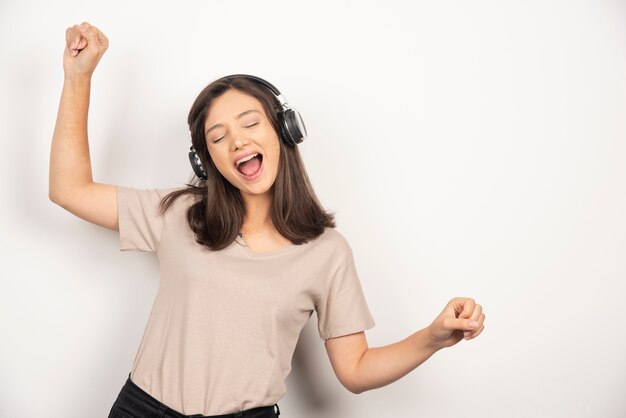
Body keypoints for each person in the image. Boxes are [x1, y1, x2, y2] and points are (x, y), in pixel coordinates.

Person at [49, 21, 487, 418]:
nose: (237, 141)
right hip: (144, 410)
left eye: (249, 124)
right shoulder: (179, 213)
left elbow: (354, 370)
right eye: (218, 137)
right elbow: (70, 190)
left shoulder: (327, 252)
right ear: (207, 162)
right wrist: (78, 76)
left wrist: (433, 336)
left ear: (285, 130)